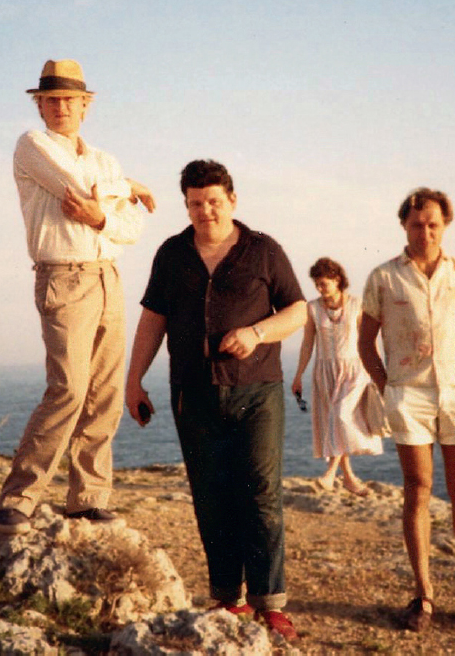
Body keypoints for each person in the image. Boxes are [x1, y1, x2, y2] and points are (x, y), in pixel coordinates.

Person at [125, 159, 306, 642]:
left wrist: (256, 332)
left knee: (261, 493)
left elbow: (297, 311)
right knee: (211, 496)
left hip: (257, 390)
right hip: (192, 392)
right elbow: (151, 321)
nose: (205, 211)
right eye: (195, 203)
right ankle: (229, 596)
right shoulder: (171, 254)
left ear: (232, 200)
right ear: (186, 204)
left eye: (214, 202)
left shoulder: (264, 250)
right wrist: (133, 381)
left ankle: (272, 604)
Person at [0, 59, 155, 535]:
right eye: (51, 99)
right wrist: (127, 189)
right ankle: (18, 499)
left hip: (108, 276)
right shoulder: (33, 145)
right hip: (63, 276)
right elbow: (75, 190)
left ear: (87, 105)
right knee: (68, 388)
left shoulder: (106, 160)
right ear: (39, 105)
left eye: (70, 99)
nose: (61, 106)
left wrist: (102, 215)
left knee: (104, 392)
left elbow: (129, 227)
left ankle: (87, 498)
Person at [358, 188, 455, 632]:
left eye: (433, 223)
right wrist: (390, 390)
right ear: (404, 225)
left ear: (446, 225)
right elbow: (365, 343)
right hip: (410, 396)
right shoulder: (384, 277)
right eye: (417, 223)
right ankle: (423, 596)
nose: (425, 231)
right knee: (418, 487)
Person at [291, 257, 382, 495]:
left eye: (323, 284)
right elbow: (307, 344)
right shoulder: (313, 308)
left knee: (340, 416)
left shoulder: (357, 305)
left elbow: (369, 341)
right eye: (317, 284)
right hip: (325, 372)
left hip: (354, 371)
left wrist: (378, 372)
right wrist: (299, 375)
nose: (320, 289)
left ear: (337, 280)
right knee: (333, 421)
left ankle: (330, 474)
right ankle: (349, 478)